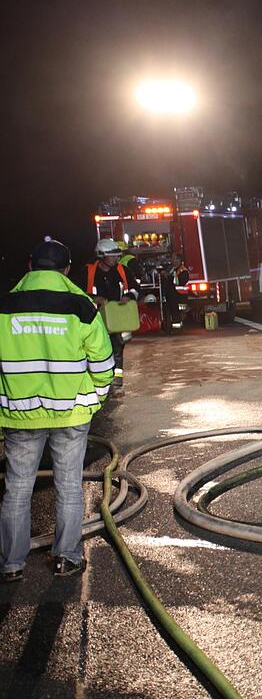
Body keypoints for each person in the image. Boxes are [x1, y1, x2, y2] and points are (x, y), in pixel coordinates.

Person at [0, 240, 114, 581]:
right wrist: (94, 400)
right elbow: (104, 364)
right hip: (71, 414)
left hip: (19, 415)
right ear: (66, 269)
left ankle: (10, 564)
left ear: (30, 265)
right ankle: (66, 557)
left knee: (17, 488)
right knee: (68, 485)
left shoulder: (5, 305)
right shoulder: (81, 307)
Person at [84, 238, 139, 392]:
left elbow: (135, 287)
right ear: (101, 256)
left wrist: (129, 296)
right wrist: (93, 298)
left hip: (118, 319)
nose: (117, 258)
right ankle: (99, 381)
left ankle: (116, 381)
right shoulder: (88, 272)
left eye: (117, 255)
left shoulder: (122, 271)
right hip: (96, 319)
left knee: (118, 347)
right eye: (113, 255)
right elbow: (77, 293)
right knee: (97, 350)